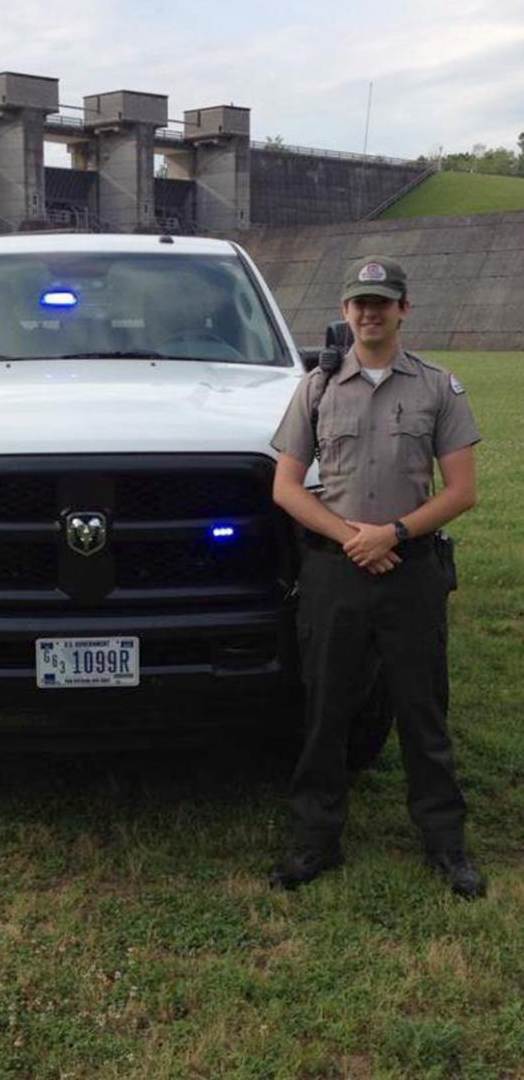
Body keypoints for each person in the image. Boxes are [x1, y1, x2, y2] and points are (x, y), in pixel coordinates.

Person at [269, 255, 485, 898]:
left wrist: (392, 535)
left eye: (382, 302)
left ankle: (446, 843)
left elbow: (463, 491)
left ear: (403, 310)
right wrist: (353, 539)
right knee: (325, 708)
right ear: (344, 312)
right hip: (336, 573)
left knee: (423, 710)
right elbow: (285, 487)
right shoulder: (315, 388)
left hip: (410, 570)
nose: (370, 312)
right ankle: (316, 840)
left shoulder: (436, 387)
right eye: (359, 302)